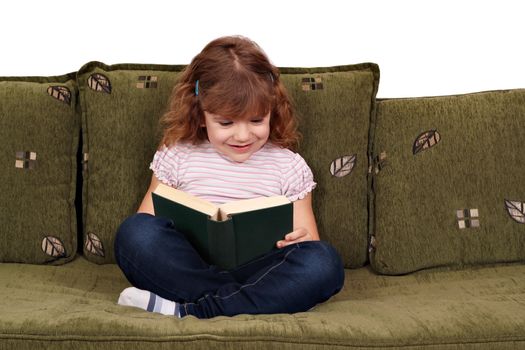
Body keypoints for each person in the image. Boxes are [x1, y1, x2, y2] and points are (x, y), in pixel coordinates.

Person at [114, 35, 345, 319]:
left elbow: (308, 243)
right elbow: (147, 223)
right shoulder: (177, 155)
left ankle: (190, 310)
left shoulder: (289, 166)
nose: (243, 135)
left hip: (259, 272)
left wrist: (299, 240)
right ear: (200, 115)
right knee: (134, 234)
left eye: (257, 120)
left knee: (323, 262)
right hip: (188, 267)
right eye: (226, 122)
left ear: (271, 112)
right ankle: (241, 302)